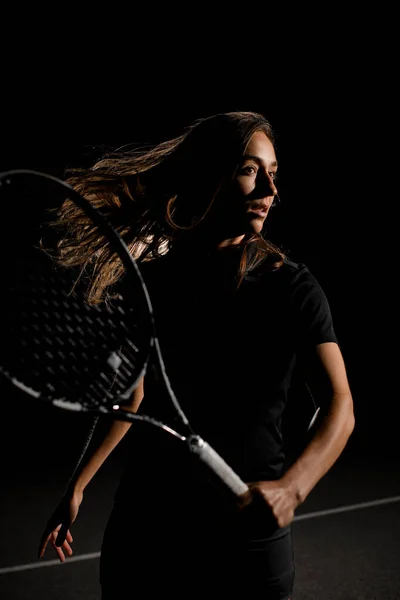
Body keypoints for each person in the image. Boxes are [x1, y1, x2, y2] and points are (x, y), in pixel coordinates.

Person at [37, 110, 355, 599]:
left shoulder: (292, 287)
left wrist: (292, 488)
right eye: (251, 170)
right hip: (148, 530)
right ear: (212, 175)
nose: (269, 189)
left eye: (274, 173)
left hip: (246, 535)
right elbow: (134, 393)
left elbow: (339, 405)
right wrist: (78, 485)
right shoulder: (156, 282)